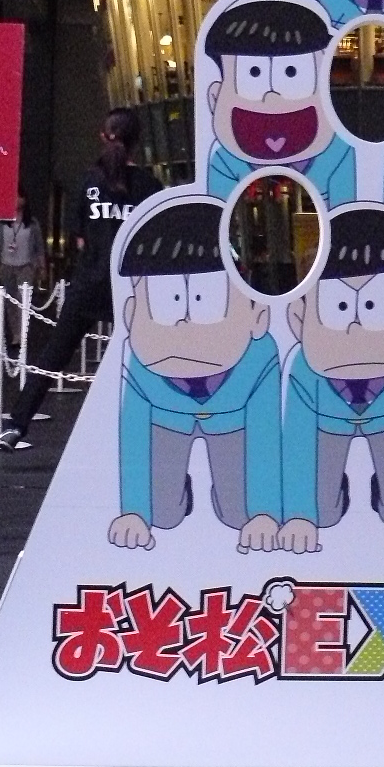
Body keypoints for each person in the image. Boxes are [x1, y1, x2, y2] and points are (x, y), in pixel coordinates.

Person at [107, 198, 283, 555]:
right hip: (167, 418)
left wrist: (266, 513)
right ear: (132, 314)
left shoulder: (260, 356)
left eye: (205, 299)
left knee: (239, 513)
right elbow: (134, 434)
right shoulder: (141, 360)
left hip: (232, 420)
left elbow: (265, 434)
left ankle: (230, 501)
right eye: (168, 301)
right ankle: (177, 495)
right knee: (162, 514)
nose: (184, 323)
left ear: (256, 315)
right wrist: (135, 512)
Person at [0, 108, 162, 450]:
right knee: (148, 361)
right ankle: (153, 434)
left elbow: (81, 239)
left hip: (88, 284)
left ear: (103, 136)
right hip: (131, 289)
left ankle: (16, 426)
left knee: (53, 355)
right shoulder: (150, 186)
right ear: (137, 142)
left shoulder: (89, 182)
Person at [280, 205, 384, 553]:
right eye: (338, 307)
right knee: (321, 513)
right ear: (299, 319)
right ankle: (334, 500)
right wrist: (299, 516)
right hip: (329, 420)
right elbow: (297, 443)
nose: (355, 329)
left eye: (375, 306)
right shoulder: (304, 366)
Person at [204, 0, 356, 208]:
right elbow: (216, 212)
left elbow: (344, 210)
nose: (272, 98)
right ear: (215, 97)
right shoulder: (223, 162)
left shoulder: (339, 155)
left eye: (292, 72)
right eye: (253, 73)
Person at [0, 190, 46, 351]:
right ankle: (15, 333)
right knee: (10, 301)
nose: (16, 200)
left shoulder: (32, 223)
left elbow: (39, 247)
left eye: (19, 196)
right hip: (6, 265)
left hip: (26, 265)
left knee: (23, 299)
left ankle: (22, 333)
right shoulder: (1, 221)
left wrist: (42, 267)